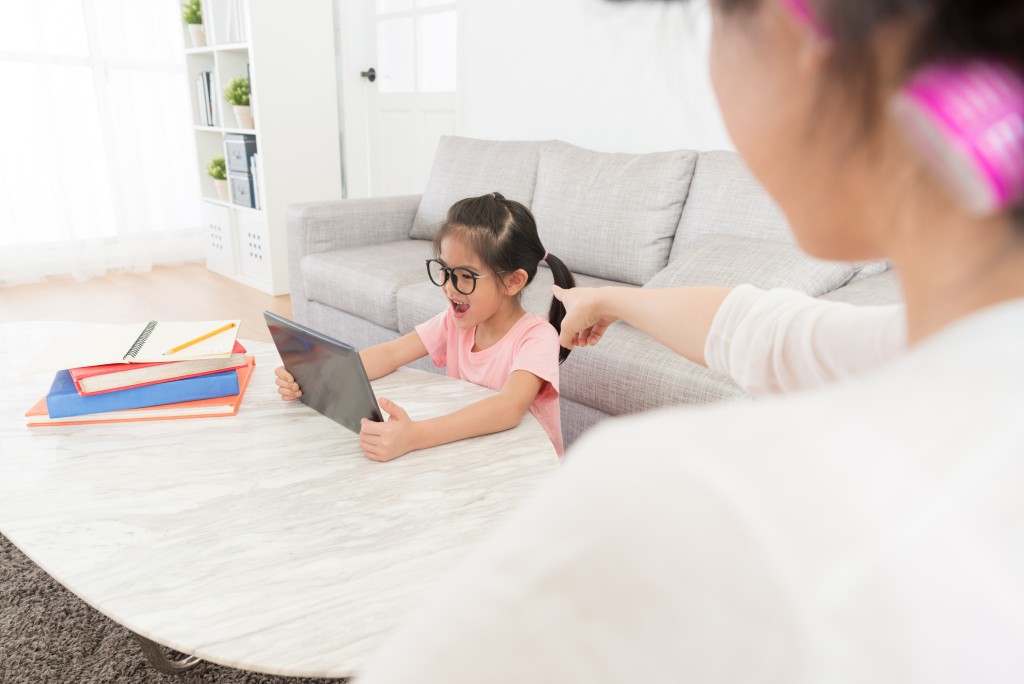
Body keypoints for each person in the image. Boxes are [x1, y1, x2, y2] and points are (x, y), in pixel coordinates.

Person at [356, 0, 1024, 681]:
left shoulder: (685, 501)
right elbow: (770, 330)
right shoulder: (930, 353)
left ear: (796, 34)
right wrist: (615, 297)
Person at [274, 192, 576, 460]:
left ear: (513, 281)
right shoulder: (456, 322)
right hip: (474, 455)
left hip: (525, 471)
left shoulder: (537, 337)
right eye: (444, 270)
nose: (448, 286)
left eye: (466, 276)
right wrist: (319, 375)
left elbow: (508, 408)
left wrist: (415, 436)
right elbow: (392, 353)